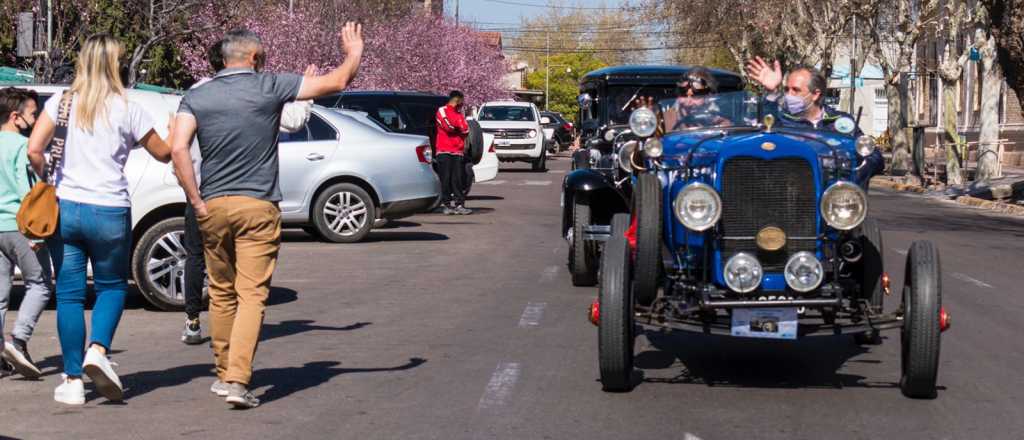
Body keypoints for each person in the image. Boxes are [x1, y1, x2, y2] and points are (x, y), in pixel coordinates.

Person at [169, 23, 364, 409]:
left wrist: (196, 200)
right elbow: (336, 82)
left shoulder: (197, 95)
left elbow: (178, 149)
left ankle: (224, 373)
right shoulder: (269, 86)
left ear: (223, 59)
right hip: (257, 205)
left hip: (213, 206)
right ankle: (239, 381)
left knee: (221, 294)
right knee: (252, 295)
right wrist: (353, 52)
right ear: (254, 58)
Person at [26, 34, 175, 405]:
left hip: (66, 208)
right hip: (109, 208)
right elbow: (164, 153)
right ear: (115, 65)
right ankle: (99, 350)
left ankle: (73, 379)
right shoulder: (129, 107)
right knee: (110, 287)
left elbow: (34, 148)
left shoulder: (60, 103)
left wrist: (49, 176)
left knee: (70, 295)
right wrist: (171, 130)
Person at [180, 41, 315, 346]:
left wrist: (190, 191)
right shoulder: (256, 93)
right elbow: (292, 122)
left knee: (199, 260)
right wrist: (307, 98)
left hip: (202, 194)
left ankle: (193, 322)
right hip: (249, 194)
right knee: (245, 270)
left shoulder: (196, 93)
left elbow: (178, 146)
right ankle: (239, 333)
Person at [745, 57, 884, 182]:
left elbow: (873, 155)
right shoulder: (782, 122)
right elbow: (766, 126)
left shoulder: (841, 122)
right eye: (786, 89)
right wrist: (771, 92)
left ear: (815, 94)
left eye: (795, 90)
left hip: (831, 200)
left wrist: (855, 175)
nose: (789, 95)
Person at [0, 87, 53, 380]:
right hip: (19, 226)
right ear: (15, 116)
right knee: (41, 283)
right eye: (32, 114)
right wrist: (35, 234)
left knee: (0, 294)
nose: (35, 121)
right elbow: (27, 191)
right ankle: (18, 341)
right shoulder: (23, 146)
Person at [434, 91, 471, 215]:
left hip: (458, 151)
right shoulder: (442, 110)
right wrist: (458, 128)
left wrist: (459, 128)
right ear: (457, 100)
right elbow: (448, 126)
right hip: (444, 150)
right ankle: (447, 205)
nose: (462, 104)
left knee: (458, 179)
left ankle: (460, 204)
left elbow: (466, 129)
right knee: (445, 178)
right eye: (461, 101)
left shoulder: (460, 114)